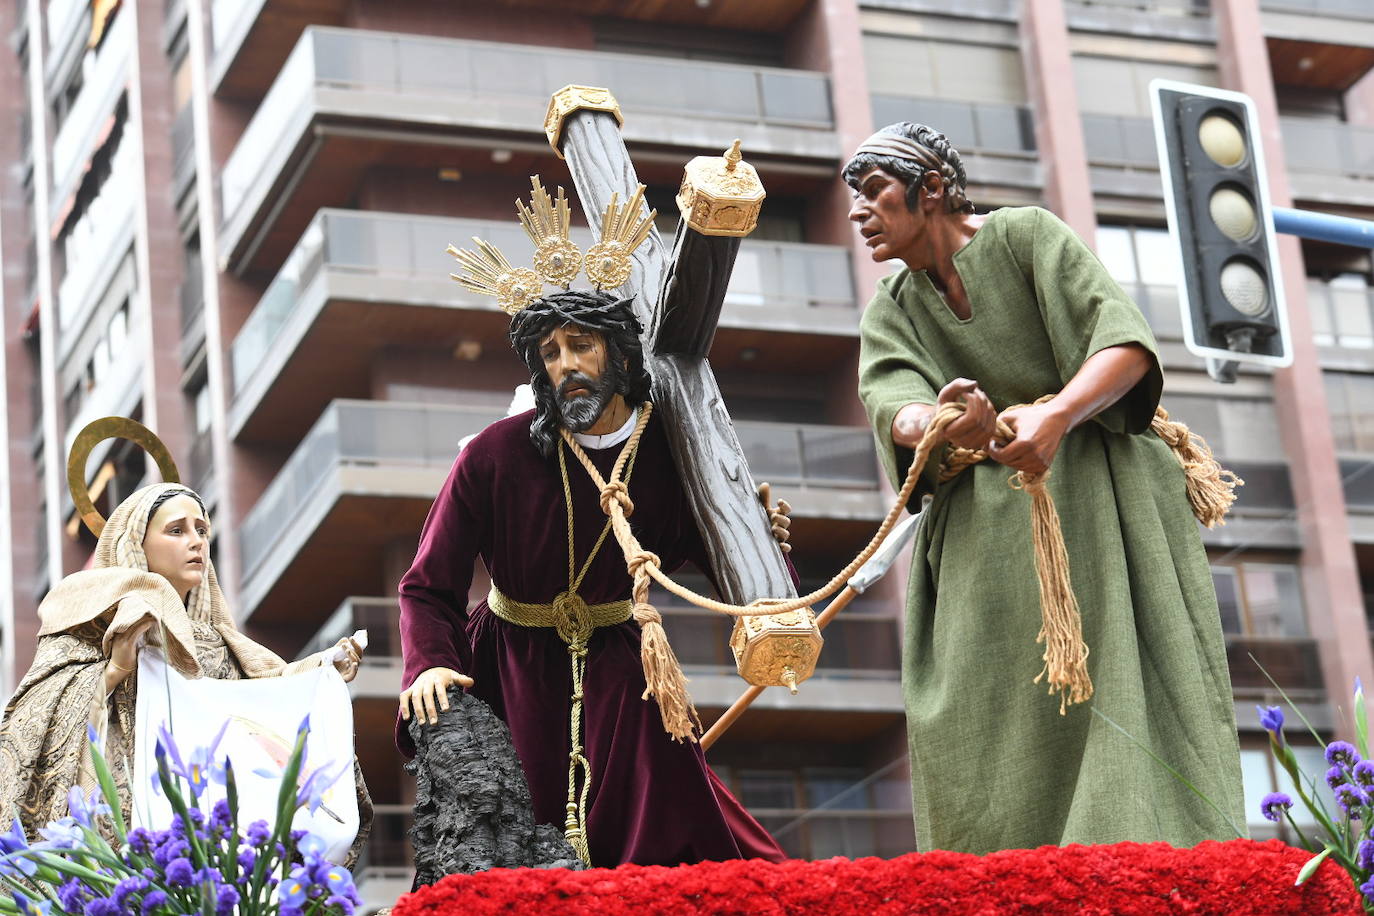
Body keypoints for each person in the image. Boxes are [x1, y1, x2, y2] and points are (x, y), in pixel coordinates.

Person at [845, 122, 1245, 853]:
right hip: (981, 542)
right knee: (985, 701)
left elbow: (1120, 344)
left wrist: (1056, 415)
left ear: (931, 189)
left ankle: (1141, 857)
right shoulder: (892, 305)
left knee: (1120, 678)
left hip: (1098, 498)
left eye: (874, 192)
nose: (858, 213)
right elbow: (890, 399)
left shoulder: (1027, 236)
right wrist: (940, 421)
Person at [396, 288, 788, 868]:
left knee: (677, 841)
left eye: (582, 346)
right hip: (509, 670)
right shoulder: (494, 453)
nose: (566, 366)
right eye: (550, 353)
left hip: (624, 673)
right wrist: (428, 663)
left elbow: (738, 566)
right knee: (511, 848)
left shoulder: (674, 453)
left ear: (623, 354)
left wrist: (758, 541)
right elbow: (428, 586)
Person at [0, 483, 372, 858]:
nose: (196, 542)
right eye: (177, 530)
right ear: (135, 542)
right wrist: (114, 671)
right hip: (127, 834)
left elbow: (262, 702)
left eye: (202, 530)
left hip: (208, 837)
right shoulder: (92, 624)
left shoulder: (218, 645)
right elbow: (35, 722)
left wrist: (321, 670)